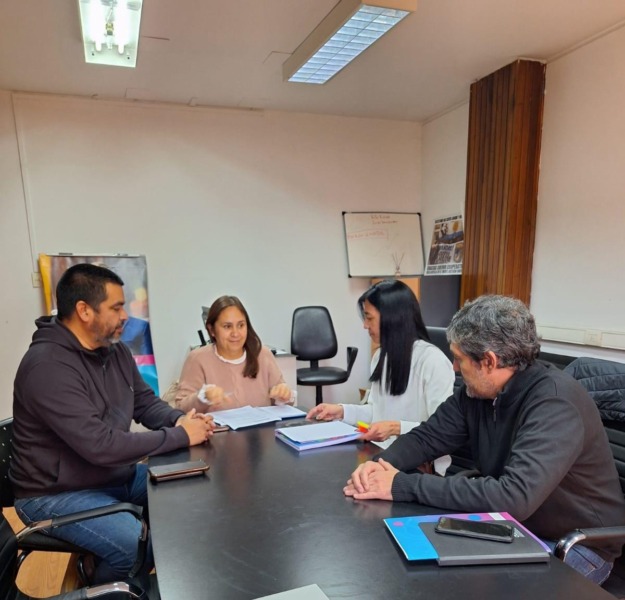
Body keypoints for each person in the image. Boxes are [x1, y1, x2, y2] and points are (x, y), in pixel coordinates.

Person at [344, 294, 625, 584]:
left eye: (459, 358)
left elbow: (514, 497)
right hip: (515, 527)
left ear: (489, 361)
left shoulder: (555, 402)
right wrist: (378, 466)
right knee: (420, 570)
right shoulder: (476, 393)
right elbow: (427, 438)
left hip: (576, 545)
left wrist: (402, 485)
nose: (454, 367)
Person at [10, 263, 215, 584]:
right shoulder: (47, 366)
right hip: (54, 494)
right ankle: (101, 586)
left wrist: (180, 419)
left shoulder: (114, 351)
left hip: (109, 474)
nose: (125, 316)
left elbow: (144, 403)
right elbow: (101, 445)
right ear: (84, 311)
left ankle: (108, 565)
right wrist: (180, 435)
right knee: (136, 547)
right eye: (116, 307)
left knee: (194, 488)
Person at [307, 279, 454, 474]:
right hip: (382, 455)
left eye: (369, 318)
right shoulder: (380, 357)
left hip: (419, 466)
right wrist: (342, 411)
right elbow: (376, 413)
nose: (365, 325)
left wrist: (395, 428)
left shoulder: (433, 361)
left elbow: (442, 431)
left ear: (392, 318)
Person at [174, 295, 293, 412]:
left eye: (241, 325)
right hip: (214, 425)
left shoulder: (262, 354)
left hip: (263, 425)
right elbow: (180, 408)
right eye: (227, 326)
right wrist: (202, 397)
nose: (235, 333)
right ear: (212, 330)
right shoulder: (197, 359)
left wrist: (283, 395)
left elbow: (286, 403)